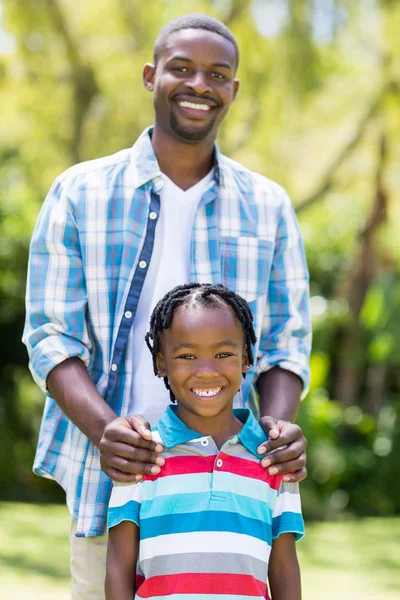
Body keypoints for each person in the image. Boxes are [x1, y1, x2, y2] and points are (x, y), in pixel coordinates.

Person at [23, 12, 311, 600]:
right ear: (151, 76)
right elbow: (51, 334)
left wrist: (278, 427)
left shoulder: (269, 205)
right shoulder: (79, 192)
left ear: (233, 89)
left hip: (232, 483)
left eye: (217, 73)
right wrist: (108, 432)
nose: (199, 84)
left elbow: (286, 340)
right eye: (181, 68)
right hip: (116, 478)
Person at [106, 283, 304, 600]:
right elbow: (118, 568)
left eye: (223, 354)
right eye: (187, 355)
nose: (207, 371)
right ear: (161, 364)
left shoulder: (274, 459)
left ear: (245, 358)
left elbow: (283, 570)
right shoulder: (142, 457)